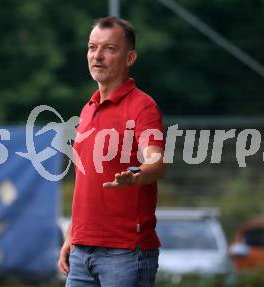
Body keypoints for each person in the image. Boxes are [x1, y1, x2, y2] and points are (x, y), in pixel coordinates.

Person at [58, 16, 166, 287]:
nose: (98, 56)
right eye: (92, 47)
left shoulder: (143, 106)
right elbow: (86, 182)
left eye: (109, 49)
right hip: (82, 252)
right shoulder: (87, 108)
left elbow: (157, 163)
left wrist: (136, 175)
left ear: (130, 58)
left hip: (125, 252)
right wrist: (72, 236)